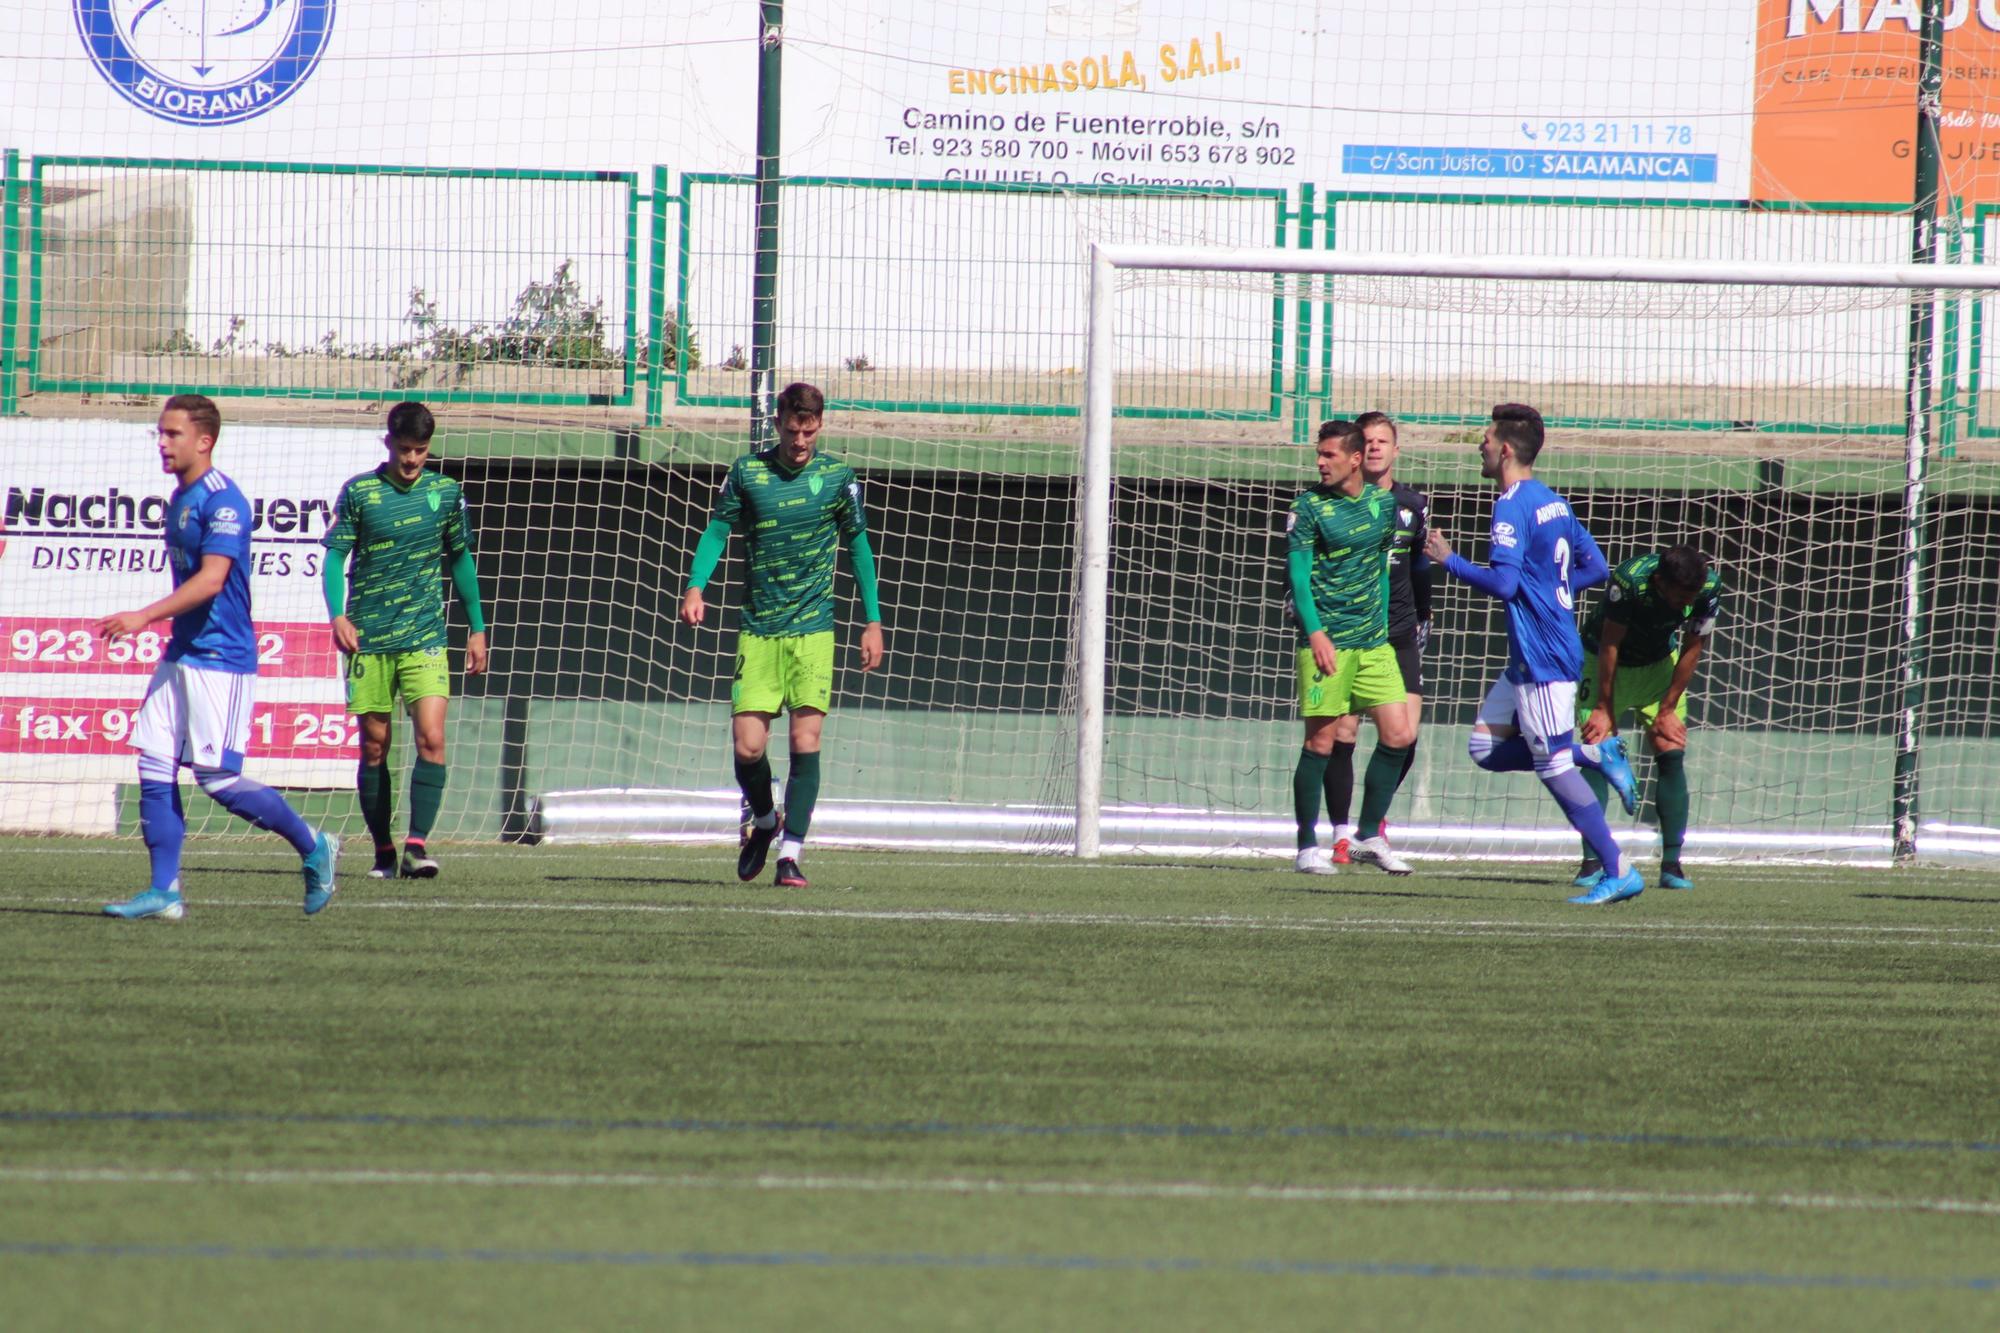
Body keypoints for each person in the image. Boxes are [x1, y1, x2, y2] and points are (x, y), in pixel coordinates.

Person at [97, 394, 339, 920]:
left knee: (219, 780)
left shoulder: (222, 500)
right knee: (154, 764)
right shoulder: (179, 496)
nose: (162, 443)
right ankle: (165, 892)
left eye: (172, 434)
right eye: (159, 433)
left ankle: (314, 844)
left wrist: (142, 617)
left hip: (221, 657)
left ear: (204, 441)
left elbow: (211, 581)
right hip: (181, 653)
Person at [1422, 403, 1644, 905]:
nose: (1478, 446)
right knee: (1484, 748)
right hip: (1533, 653)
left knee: (1553, 768)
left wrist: (1448, 559)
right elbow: (1597, 567)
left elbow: (1503, 583)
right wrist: (1549, 587)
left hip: (1544, 655)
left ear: (1504, 449)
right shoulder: (1554, 502)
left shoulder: (1513, 504)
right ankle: (1594, 753)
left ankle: (1618, 868)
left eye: (1484, 438)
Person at [681, 382, 884, 888]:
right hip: (760, 630)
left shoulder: (837, 477)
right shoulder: (748, 472)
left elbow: (858, 547)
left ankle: (790, 854)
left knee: (804, 739)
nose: (800, 440)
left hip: (814, 630)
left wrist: (873, 620)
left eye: (809, 430)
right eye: (793, 429)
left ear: (820, 425)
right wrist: (695, 586)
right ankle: (766, 821)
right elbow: (718, 530)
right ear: (778, 423)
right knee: (748, 747)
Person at [322, 401, 488, 879]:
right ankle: (383, 852)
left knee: (432, 738)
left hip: (425, 636)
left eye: (421, 450)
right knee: (374, 747)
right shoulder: (360, 493)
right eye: (404, 449)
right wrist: (337, 616)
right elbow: (335, 558)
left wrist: (476, 627)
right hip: (368, 639)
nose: (412, 460)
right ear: (388, 443)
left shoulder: (446, 492)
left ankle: (417, 845)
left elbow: (460, 559)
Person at [1287, 421, 1418, 876]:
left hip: (1373, 644)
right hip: (1328, 644)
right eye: (1318, 455)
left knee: (1399, 735)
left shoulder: (1384, 506)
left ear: (1355, 459)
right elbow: (1300, 578)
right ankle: (1306, 847)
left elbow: (1382, 568)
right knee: (1321, 743)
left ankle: (1367, 837)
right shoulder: (1308, 508)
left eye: (1329, 455)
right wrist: (1317, 633)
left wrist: (1381, 626)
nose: (1320, 463)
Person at [1573, 545, 1722, 892]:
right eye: (1680, 595)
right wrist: (1603, 707)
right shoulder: (1630, 580)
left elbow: (1694, 645)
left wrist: (1668, 708)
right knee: (1597, 747)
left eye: (1693, 596)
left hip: (1657, 663)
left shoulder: (1709, 587)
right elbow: (1610, 643)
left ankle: (1672, 865)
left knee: (1670, 746)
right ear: (1659, 581)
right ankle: (1592, 862)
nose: (1687, 603)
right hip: (1604, 661)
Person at [1323, 411, 1433, 864]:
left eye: (1382, 441)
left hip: (1400, 631)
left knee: (1403, 734)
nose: (1373, 448)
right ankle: (1342, 834)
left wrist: (1424, 617)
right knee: (1342, 731)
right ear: (1354, 450)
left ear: (1395, 450)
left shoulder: (1413, 505)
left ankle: (1375, 825)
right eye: (1366, 441)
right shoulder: (1332, 503)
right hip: (1350, 630)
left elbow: (1420, 567)